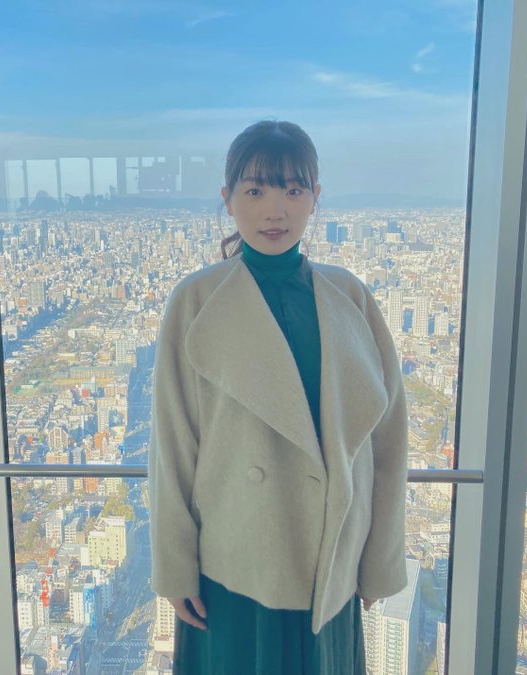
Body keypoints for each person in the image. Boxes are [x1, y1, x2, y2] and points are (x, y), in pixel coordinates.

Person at [148, 120, 409, 674]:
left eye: (293, 190)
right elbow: (173, 446)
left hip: (331, 565)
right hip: (236, 564)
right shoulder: (195, 301)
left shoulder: (351, 297)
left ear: (316, 197)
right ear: (228, 199)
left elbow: (387, 442)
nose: (275, 210)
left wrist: (378, 563)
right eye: (255, 190)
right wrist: (174, 567)